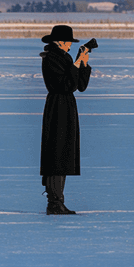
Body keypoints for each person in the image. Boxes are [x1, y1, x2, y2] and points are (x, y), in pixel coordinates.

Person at [39, 24, 91, 215]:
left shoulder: (65, 57)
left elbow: (80, 85)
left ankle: (58, 200)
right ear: (59, 42)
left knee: (64, 152)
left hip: (67, 106)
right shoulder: (51, 58)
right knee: (56, 153)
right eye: (68, 42)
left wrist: (83, 63)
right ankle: (54, 201)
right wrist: (76, 64)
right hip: (57, 106)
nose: (70, 45)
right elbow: (64, 84)